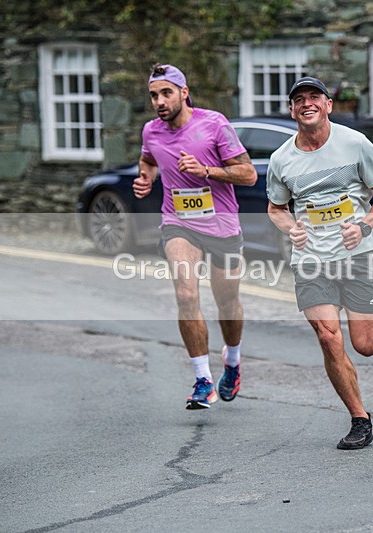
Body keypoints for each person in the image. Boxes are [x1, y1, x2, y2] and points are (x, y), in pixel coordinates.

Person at [266, 77, 373, 449]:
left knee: (366, 345)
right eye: (299, 100)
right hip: (311, 260)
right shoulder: (281, 159)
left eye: (314, 97)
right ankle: (359, 417)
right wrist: (291, 227)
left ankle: (358, 403)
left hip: (355, 255)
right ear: (292, 110)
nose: (306, 103)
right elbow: (276, 208)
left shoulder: (354, 143)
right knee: (328, 336)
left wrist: (365, 225)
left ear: (328, 105)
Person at [133, 64, 257, 409]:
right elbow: (148, 160)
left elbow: (247, 174)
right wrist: (146, 179)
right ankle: (202, 379)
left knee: (227, 301)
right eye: (154, 95)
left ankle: (232, 362)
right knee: (186, 294)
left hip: (222, 227)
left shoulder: (213, 123)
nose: (159, 101)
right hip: (178, 223)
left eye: (166, 93)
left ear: (184, 92)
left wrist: (205, 171)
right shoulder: (151, 131)